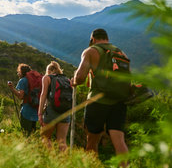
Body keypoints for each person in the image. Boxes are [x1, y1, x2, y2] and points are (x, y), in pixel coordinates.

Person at [71, 28, 129, 156]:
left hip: (97, 101)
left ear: (93, 39)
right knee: (119, 141)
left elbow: (80, 78)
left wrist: (74, 81)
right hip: (119, 101)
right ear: (107, 38)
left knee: (92, 140)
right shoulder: (120, 53)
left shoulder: (91, 51)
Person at [38, 61, 71, 152]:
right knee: (62, 141)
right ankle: (64, 163)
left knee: (45, 138)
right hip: (65, 112)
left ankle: (51, 161)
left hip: (52, 112)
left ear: (49, 70)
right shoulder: (67, 79)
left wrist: (40, 113)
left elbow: (43, 95)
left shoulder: (47, 78)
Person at [8, 63, 38, 135]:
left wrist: (12, 88)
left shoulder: (23, 80)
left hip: (26, 112)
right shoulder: (34, 80)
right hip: (35, 112)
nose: (18, 73)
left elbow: (20, 96)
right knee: (33, 134)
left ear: (22, 72)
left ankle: (26, 146)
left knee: (26, 134)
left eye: (19, 72)